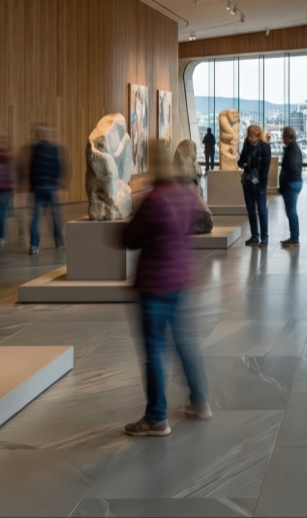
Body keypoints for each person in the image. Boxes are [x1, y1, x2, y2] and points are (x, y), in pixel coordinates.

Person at [122, 142, 210, 436]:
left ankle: (156, 417)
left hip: (155, 283)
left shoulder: (154, 199)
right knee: (184, 343)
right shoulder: (186, 194)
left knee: (154, 351)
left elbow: (130, 238)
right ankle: (199, 400)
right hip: (179, 279)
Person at [28, 125, 65, 255]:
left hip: (38, 188)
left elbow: (32, 170)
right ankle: (59, 241)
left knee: (35, 218)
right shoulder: (55, 149)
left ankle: (34, 245)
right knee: (55, 216)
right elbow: (59, 167)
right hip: (50, 187)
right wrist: (59, 184)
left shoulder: (35, 150)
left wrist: (32, 185)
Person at [238, 124, 271, 246]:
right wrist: (244, 164)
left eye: (252, 135)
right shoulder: (246, 145)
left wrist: (260, 182)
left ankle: (264, 237)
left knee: (262, 210)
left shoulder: (265, 147)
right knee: (251, 209)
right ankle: (254, 235)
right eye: (249, 135)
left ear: (257, 136)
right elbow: (240, 161)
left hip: (260, 182)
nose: (250, 138)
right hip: (247, 180)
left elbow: (266, 167)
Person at [279, 127, 303, 247]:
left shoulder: (292, 150)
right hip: (293, 183)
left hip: (291, 184)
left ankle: (295, 238)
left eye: (283, 136)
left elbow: (291, 168)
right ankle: (294, 237)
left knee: (291, 211)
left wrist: (284, 181)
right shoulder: (293, 148)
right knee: (290, 211)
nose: (282, 138)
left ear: (288, 137)